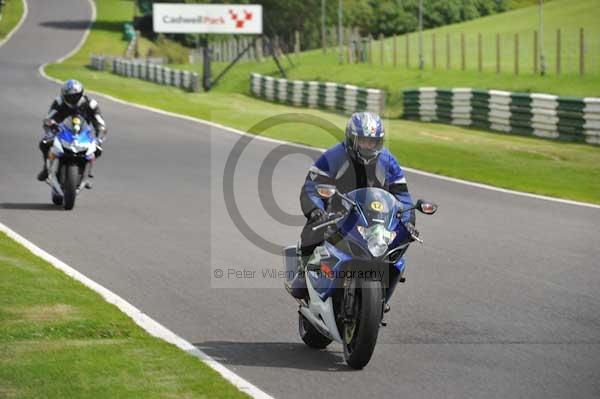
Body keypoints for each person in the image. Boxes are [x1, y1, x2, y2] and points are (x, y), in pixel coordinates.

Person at [289, 112, 419, 302]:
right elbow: (311, 187)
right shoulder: (333, 156)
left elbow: (403, 196)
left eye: (372, 142)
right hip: (338, 213)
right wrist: (317, 210)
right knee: (313, 229)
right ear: (351, 139)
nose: (368, 146)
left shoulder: (388, 161)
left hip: (376, 218)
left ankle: (380, 296)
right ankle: (304, 271)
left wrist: (407, 221)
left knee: (398, 245)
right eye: (363, 141)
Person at [37, 80, 107, 185]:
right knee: (44, 143)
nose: (72, 99)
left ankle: (86, 173)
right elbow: (49, 117)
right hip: (62, 132)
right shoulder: (59, 102)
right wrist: (50, 125)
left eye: (75, 96)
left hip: (83, 134)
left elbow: (100, 122)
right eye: (69, 97)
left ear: (81, 94)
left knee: (98, 150)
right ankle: (46, 169)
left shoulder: (91, 104)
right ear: (64, 95)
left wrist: (99, 136)